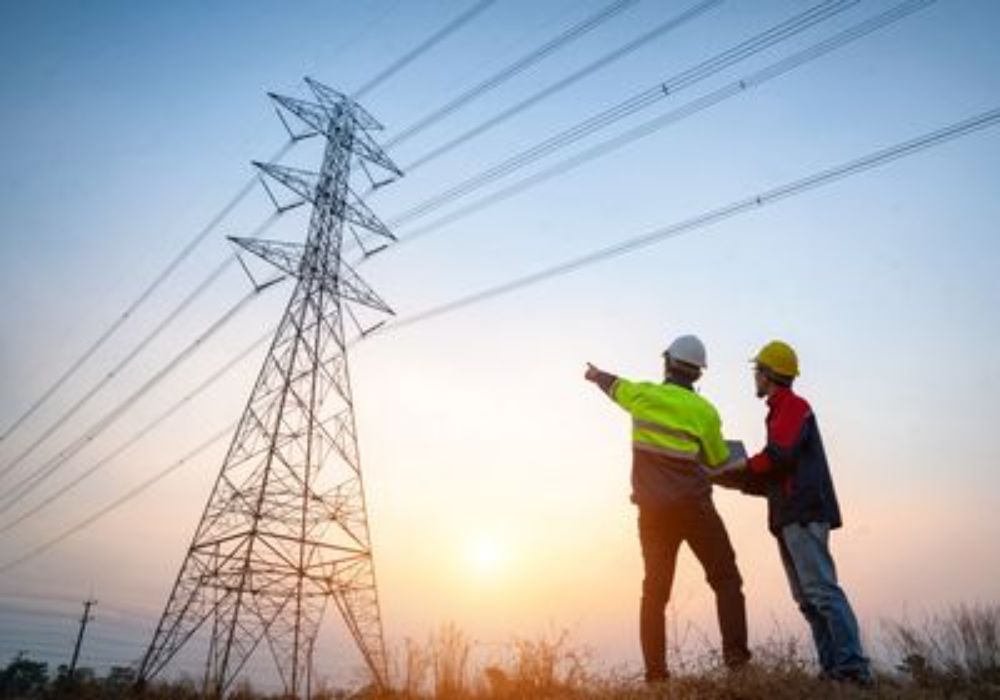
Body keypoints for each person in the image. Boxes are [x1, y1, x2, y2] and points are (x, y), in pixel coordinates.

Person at [584, 334, 751, 682]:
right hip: (696, 508)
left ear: (667, 363)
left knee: (655, 593)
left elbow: (615, 386)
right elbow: (719, 460)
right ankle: (737, 663)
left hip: (653, 514)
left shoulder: (643, 395)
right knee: (726, 580)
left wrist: (597, 375)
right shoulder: (705, 412)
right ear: (698, 374)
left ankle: (657, 677)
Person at [715, 340, 872, 684]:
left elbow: (779, 455)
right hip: (788, 516)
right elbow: (777, 475)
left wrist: (742, 465)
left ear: (769, 374)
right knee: (807, 600)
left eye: (757, 370)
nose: (754, 377)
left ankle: (853, 669)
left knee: (823, 593)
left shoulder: (794, 406)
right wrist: (733, 479)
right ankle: (832, 671)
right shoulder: (778, 410)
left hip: (804, 514)